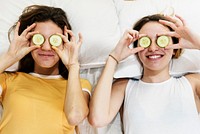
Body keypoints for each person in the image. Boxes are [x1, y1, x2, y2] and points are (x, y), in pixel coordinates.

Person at [88, 14, 200, 134]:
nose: (152, 48)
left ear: (175, 48)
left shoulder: (192, 82)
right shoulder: (124, 86)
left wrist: (198, 43)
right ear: (137, 50)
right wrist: (114, 58)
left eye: (161, 40)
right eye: (145, 42)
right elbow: (97, 119)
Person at [0, 5, 92, 134]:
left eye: (55, 39)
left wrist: (73, 66)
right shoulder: (8, 80)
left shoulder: (79, 84)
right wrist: (9, 57)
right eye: (39, 38)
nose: (46, 47)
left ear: (65, 42)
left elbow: (74, 117)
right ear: (29, 41)